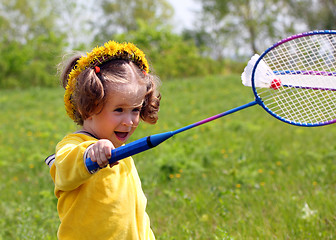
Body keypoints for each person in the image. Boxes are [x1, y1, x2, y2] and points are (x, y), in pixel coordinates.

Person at [44, 41, 161, 239]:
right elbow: (64, 168)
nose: (129, 121)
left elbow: (137, 215)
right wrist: (90, 153)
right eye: (118, 110)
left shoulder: (123, 153)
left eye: (135, 109)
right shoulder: (73, 146)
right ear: (88, 108)